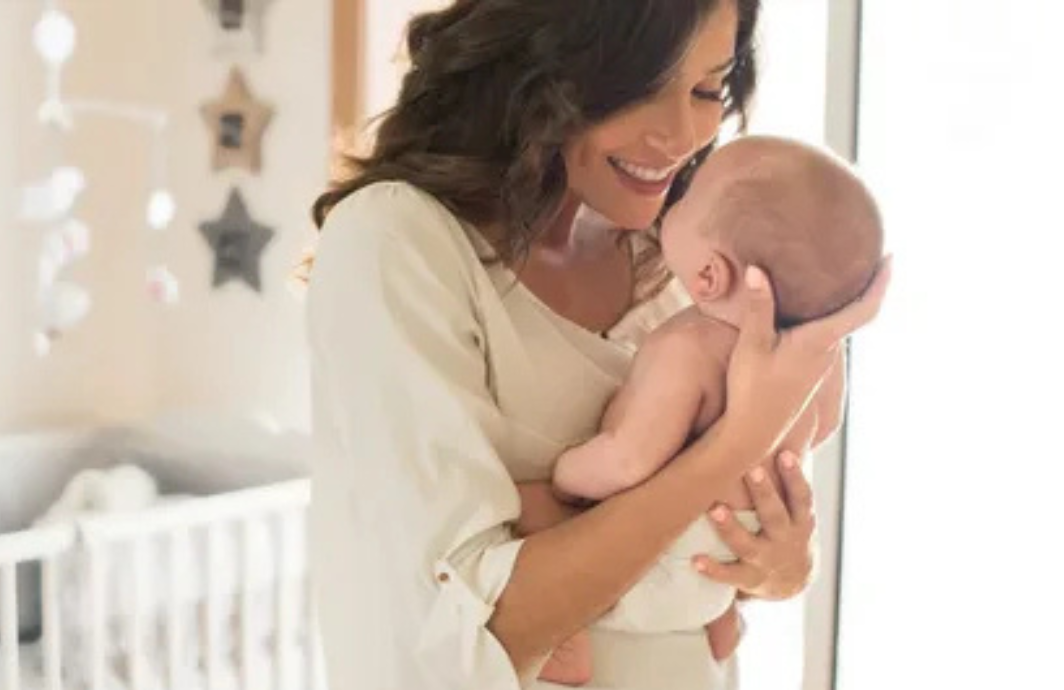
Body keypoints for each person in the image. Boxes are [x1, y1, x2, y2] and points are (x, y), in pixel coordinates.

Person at [304, 1, 891, 688]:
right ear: (540, 64)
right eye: (641, 86)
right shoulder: (398, 242)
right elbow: (468, 626)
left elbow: (727, 539)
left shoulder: (680, 260)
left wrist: (783, 565)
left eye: (708, 89)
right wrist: (735, 445)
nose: (680, 135)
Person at [534, 135, 885, 684]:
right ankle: (723, 624)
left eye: (691, 196)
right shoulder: (806, 371)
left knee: (527, 508)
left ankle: (566, 642)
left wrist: (565, 473)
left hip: (657, 567)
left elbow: (629, 461)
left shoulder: (689, 347)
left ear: (709, 276)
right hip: (722, 571)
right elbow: (823, 427)